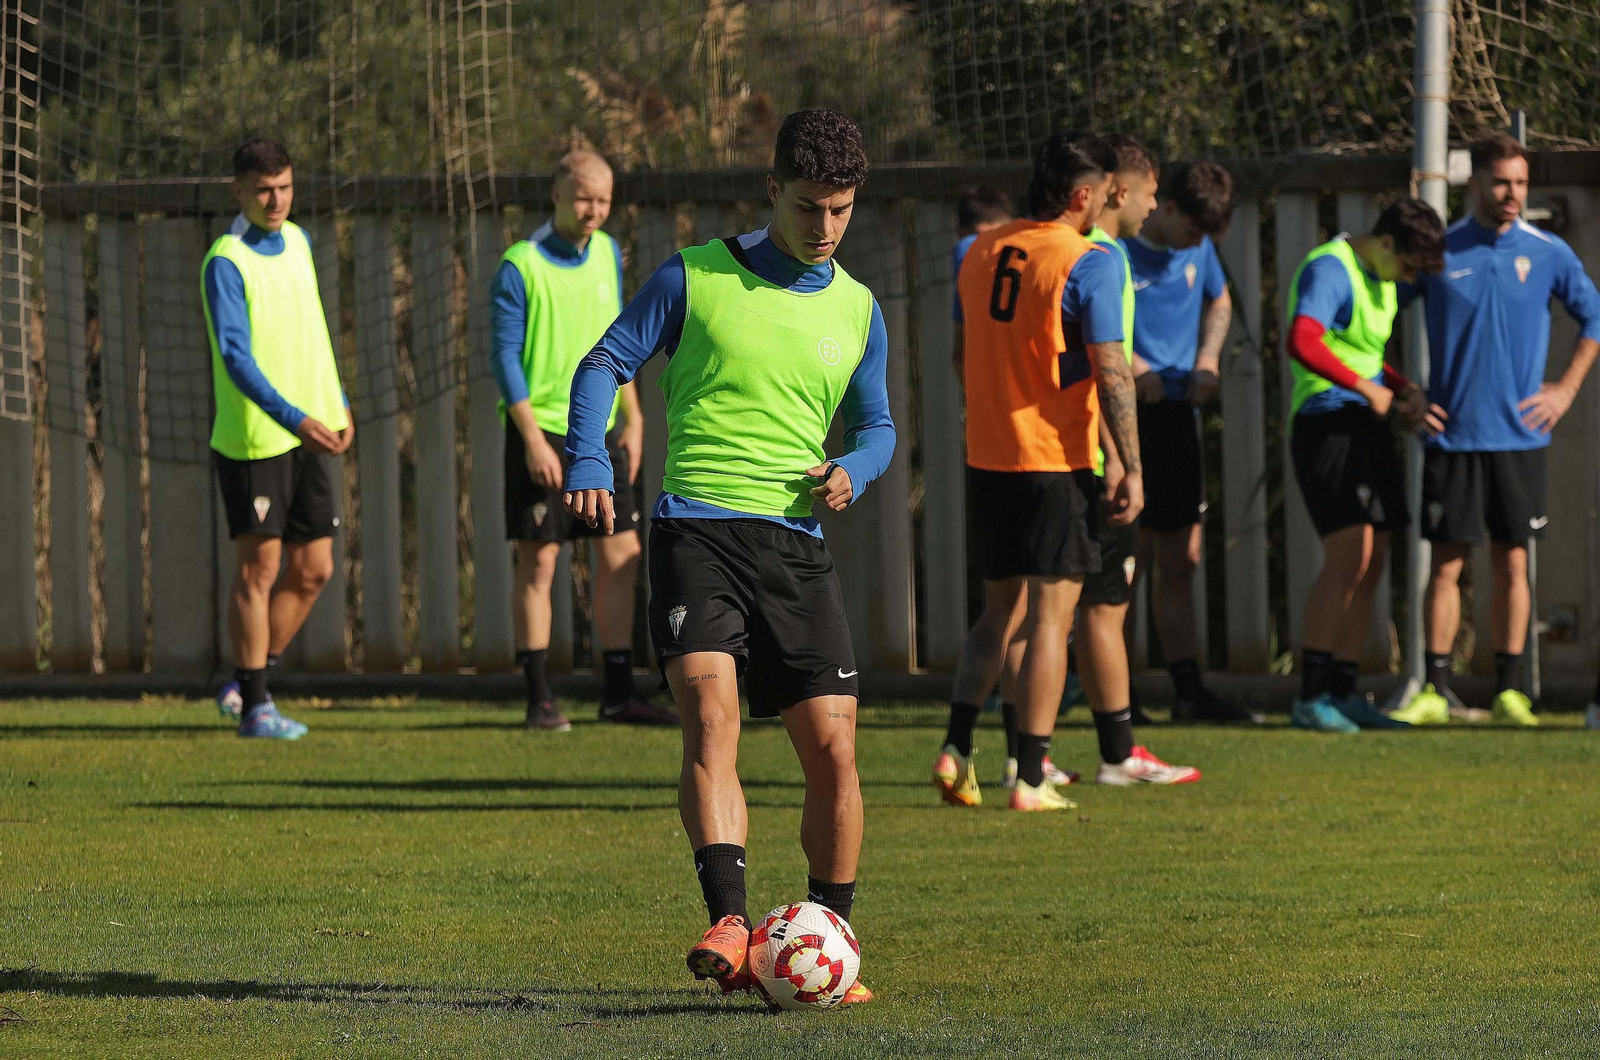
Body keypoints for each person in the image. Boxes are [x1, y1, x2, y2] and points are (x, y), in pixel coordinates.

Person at [563, 108, 894, 1003]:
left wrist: (855, 470)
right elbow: (602, 366)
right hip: (696, 530)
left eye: (840, 210)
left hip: (796, 544)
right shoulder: (695, 276)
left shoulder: (859, 309)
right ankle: (734, 920)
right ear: (771, 191)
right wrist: (589, 455)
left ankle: (833, 937)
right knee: (712, 719)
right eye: (806, 207)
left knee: (833, 749)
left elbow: (877, 424)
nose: (823, 228)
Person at [933, 132, 1144, 812]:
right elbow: (1111, 370)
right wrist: (1130, 465)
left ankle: (956, 746)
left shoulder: (981, 251)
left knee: (997, 614)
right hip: (1055, 459)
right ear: (1083, 197)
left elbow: (963, 357)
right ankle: (1030, 776)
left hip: (989, 456)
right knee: (1053, 619)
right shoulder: (1088, 261)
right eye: (1106, 193)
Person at [1392, 134, 1600, 727]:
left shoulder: (1549, 252)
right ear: (1475, 183)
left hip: (1519, 438)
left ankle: (1511, 692)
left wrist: (1564, 390)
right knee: (1448, 566)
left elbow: (1594, 318)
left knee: (1513, 563)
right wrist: (1404, 392)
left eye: (1521, 184)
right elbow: (1377, 314)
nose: (1512, 195)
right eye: (1502, 182)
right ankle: (1434, 688)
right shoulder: (1439, 250)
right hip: (1452, 435)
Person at [488, 149, 675, 731]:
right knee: (540, 561)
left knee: (621, 555)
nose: (594, 212)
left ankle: (618, 694)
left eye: (603, 201)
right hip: (542, 429)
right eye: (583, 199)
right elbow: (504, 359)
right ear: (557, 194)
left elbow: (620, 339)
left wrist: (635, 416)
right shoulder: (519, 265)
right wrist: (532, 441)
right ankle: (539, 695)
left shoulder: (605, 257)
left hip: (603, 430)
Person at [203, 138, 351, 739]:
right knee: (259, 570)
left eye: (285, 187)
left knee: (315, 568)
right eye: (264, 189)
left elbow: (313, 328)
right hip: (256, 438)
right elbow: (236, 358)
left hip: (309, 431)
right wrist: (295, 417)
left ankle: (247, 682)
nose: (276, 200)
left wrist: (337, 398)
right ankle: (258, 706)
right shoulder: (226, 260)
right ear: (238, 190)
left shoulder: (300, 241)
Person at [1283, 200, 1446, 732]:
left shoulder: (1379, 279)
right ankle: (1311, 697)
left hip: (1365, 426)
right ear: (1387, 244)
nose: (1409, 280)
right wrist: (1366, 389)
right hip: (1326, 425)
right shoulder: (1332, 268)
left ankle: (1345, 692)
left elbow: (1362, 354)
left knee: (1374, 559)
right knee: (1348, 554)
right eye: (1408, 268)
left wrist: (1402, 388)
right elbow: (1302, 338)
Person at [1124, 161, 1258, 724]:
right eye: (1193, 232)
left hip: (1178, 416)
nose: (1196, 245)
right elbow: (1083, 325)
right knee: (1127, 561)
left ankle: (1187, 691)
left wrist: (1207, 359)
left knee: (1181, 561)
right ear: (1169, 208)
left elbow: (1220, 301)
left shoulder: (1198, 251)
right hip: (1124, 420)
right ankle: (1112, 692)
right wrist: (1135, 367)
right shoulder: (1116, 253)